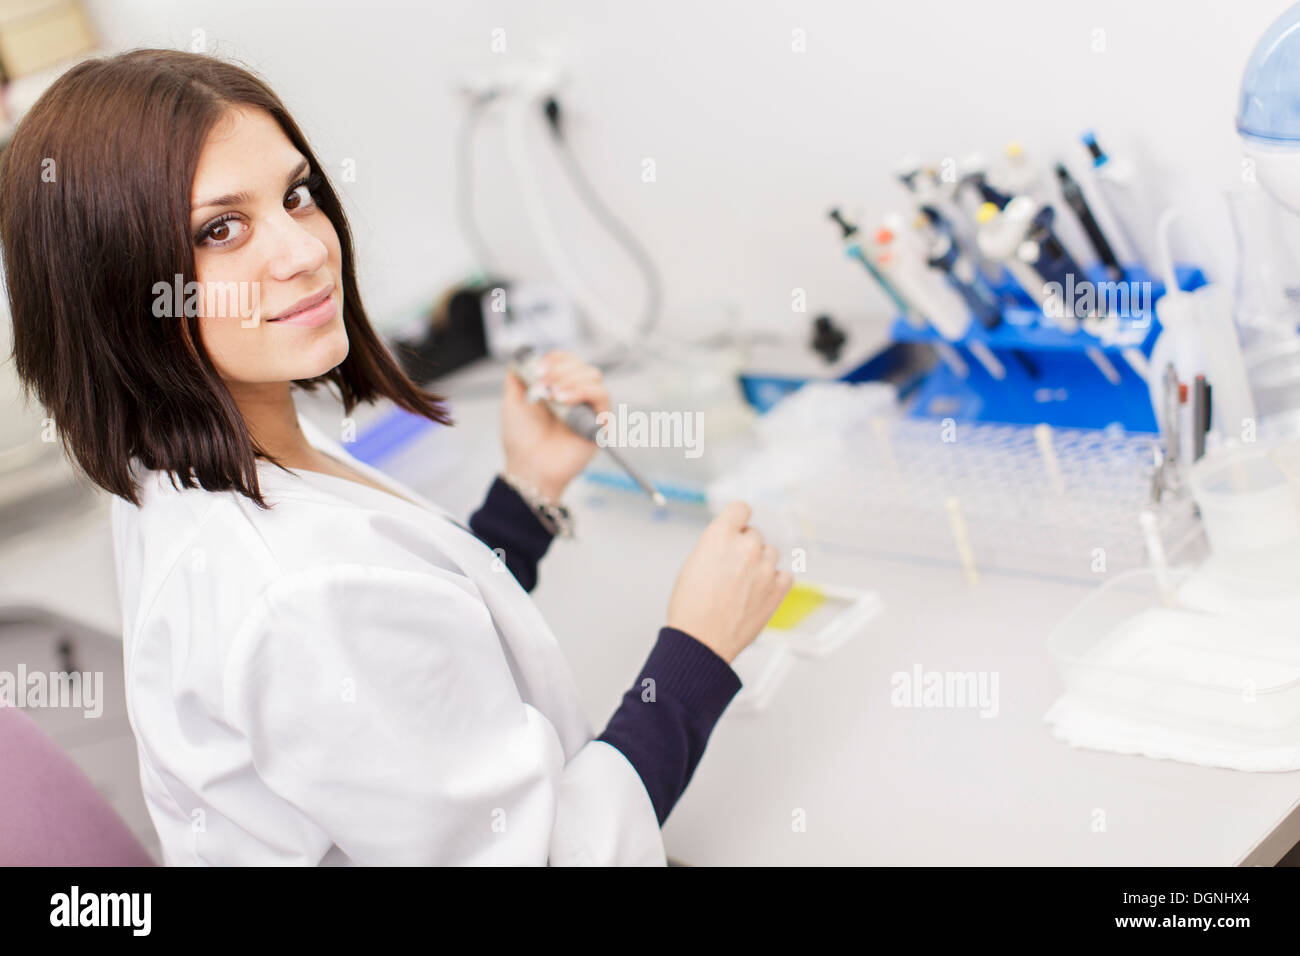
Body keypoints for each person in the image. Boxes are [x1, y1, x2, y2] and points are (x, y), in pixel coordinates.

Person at [0, 49, 792, 865]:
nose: (304, 250)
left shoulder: (180, 464)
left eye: (296, 195)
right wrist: (699, 649)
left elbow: (407, 648)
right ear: (115, 286)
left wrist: (526, 497)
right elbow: (548, 855)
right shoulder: (291, 592)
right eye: (219, 229)